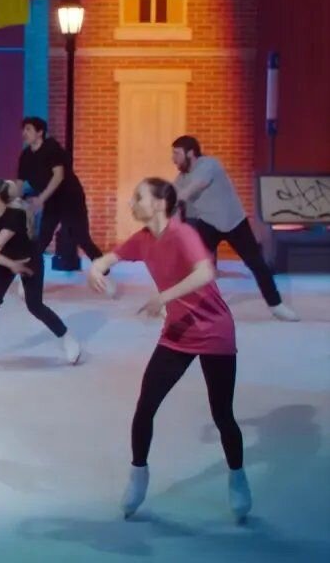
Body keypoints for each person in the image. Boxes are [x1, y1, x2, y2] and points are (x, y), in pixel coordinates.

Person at [87, 178, 251, 523]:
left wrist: (164, 297)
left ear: (160, 203)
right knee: (145, 405)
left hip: (214, 330)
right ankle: (138, 474)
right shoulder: (143, 239)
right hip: (177, 333)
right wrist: (96, 267)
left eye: (139, 197)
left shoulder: (182, 233)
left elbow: (206, 272)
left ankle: (237, 477)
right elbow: (109, 258)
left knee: (222, 414)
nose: (132, 203)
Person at [172, 135, 298, 322]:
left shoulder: (209, 164)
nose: (173, 158)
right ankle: (181, 307)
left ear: (190, 153)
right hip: (207, 223)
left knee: (257, 264)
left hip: (234, 222)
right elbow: (173, 201)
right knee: (192, 265)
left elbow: (197, 185)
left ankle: (276, 306)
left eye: (177, 153)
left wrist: (178, 197)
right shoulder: (181, 179)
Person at [0, 179, 82, 364]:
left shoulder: (16, 215)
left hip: (30, 261)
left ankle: (67, 338)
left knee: (35, 305)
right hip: (4, 263)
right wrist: (10, 265)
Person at [17, 117, 114, 295]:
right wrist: (14, 201)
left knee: (81, 237)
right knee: (43, 238)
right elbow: (20, 182)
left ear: (40, 132)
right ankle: (29, 277)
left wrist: (41, 199)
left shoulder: (52, 148)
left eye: (28, 129)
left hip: (70, 197)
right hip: (52, 200)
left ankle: (103, 267)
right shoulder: (26, 156)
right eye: (23, 129)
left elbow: (58, 176)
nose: (24, 133)